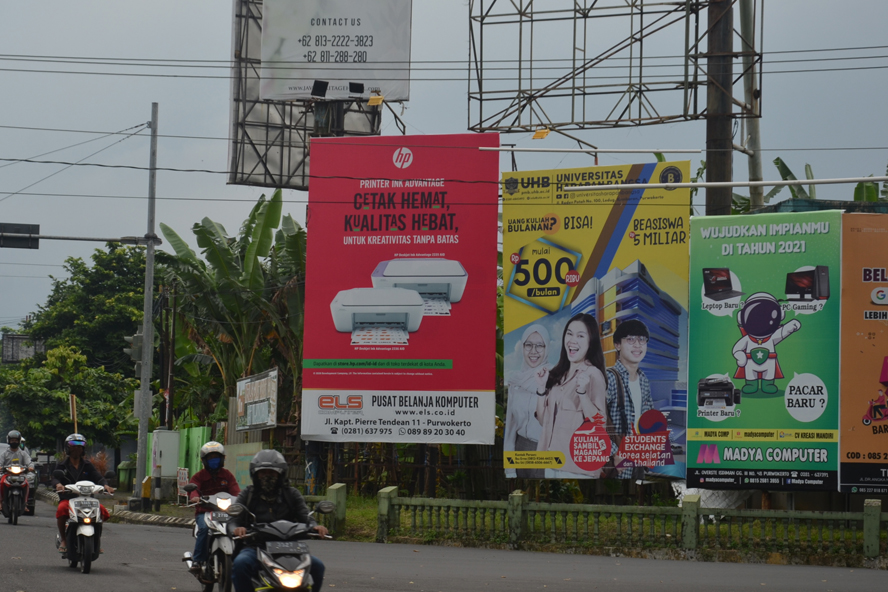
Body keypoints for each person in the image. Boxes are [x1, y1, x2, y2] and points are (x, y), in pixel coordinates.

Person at [231, 450, 329, 592]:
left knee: (318, 566)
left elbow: (306, 517)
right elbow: (234, 520)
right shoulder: (248, 494)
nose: (267, 476)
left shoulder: (292, 494)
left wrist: (315, 527)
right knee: (240, 564)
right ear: (255, 474)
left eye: (272, 473)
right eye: (263, 473)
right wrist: (237, 528)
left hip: (291, 548)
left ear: (281, 474)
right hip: (257, 547)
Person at [534, 313, 608, 478]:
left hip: (578, 469)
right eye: (569, 333)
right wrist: (541, 389)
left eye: (580, 336)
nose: (572, 340)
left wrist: (582, 394)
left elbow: (599, 424)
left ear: (591, 342)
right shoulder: (558, 374)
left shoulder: (593, 375)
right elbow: (542, 421)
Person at [605, 319, 655, 479]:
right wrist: (614, 453)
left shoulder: (643, 380)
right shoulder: (608, 378)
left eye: (642, 340)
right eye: (630, 339)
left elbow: (649, 419)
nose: (637, 345)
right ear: (617, 345)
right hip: (617, 464)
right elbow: (590, 421)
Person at [51, 433, 114, 554]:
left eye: (80, 446)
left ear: (83, 449)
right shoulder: (61, 465)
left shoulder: (88, 465)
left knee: (102, 512)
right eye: (73, 445)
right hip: (68, 499)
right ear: (68, 447)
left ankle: (96, 540)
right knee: (61, 510)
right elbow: (54, 478)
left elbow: (98, 478)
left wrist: (106, 486)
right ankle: (64, 539)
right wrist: (58, 485)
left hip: (87, 500)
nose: (77, 448)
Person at [504, 324, 549, 479]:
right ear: (522, 347)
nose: (533, 351)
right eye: (528, 345)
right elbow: (510, 428)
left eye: (539, 345)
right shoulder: (516, 382)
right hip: (520, 449)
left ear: (547, 348)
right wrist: (510, 469)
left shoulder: (556, 379)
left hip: (547, 451)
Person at [187, 441, 240, 573]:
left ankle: (239, 559)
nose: (213, 460)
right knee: (204, 529)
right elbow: (193, 488)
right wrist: (195, 497)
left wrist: (241, 500)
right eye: (210, 458)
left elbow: (236, 490)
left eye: (216, 457)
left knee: (238, 530)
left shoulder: (227, 475)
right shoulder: (199, 476)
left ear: (222, 458)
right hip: (205, 512)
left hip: (226, 512)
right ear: (204, 460)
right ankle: (197, 560)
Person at [0, 430, 35, 513]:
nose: (14, 442)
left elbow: (29, 462)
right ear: (9, 441)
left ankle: (25, 503)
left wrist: (30, 467)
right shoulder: (4, 454)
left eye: (16, 440)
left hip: (21, 475)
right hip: (7, 474)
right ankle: (0, 502)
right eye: (12, 440)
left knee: (27, 484)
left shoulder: (23, 453)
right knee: (1, 483)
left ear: (19, 441)